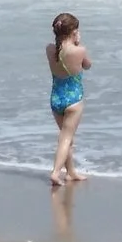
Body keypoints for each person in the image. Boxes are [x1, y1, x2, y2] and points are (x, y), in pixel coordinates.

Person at [48, 11, 91, 186]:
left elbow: (60, 52)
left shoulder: (49, 49)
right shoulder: (79, 50)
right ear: (74, 32)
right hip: (73, 99)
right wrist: (77, 43)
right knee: (66, 139)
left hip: (56, 98)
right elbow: (87, 66)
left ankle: (71, 172)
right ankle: (56, 172)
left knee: (67, 137)